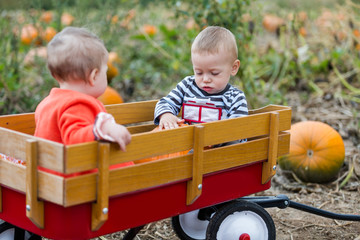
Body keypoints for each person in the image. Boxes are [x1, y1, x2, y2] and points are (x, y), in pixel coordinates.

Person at [34, 27, 131, 152]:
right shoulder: (77, 105)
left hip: (51, 166)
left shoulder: (47, 104)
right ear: (94, 76)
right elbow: (73, 138)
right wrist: (103, 128)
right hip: (75, 169)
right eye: (105, 72)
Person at [154, 26, 248, 140]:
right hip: (187, 145)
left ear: (233, 68)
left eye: (214, 73)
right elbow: (165, 102)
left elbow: (238, 127)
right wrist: (166, 114)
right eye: (198, 72)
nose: (205, 79)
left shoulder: (235, 97)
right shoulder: (187, 86)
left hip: (219, 151)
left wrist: (218, 138)